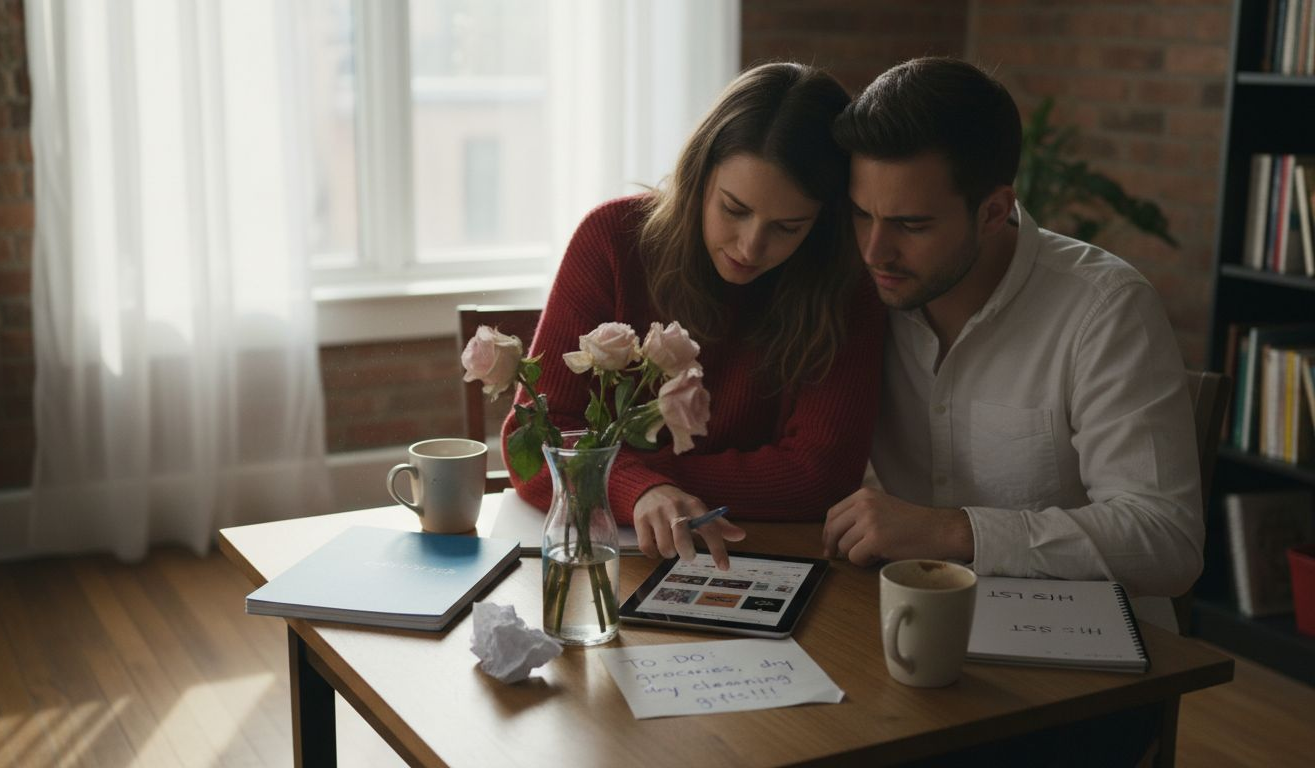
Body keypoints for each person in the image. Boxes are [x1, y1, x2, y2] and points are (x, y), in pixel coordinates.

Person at [824, 57, 1204, 627]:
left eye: (911, 224)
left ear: (993, 211)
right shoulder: (860, 293)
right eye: (861, 214)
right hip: (910, 627)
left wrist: (954, 531)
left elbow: (1166, 541)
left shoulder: (1104, 306)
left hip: (1088, 665)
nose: (875, 250)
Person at [505, 62, 885, 568]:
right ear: (699, 175)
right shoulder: (613, 241)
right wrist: (638, 490)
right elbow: (533, 444)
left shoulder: (845, 285)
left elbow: (820, 475)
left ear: (821, 222)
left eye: (788, 227)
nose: (751, 246)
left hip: (762, 557)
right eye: (734, 209)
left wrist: (630, 474)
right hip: (613, 554)